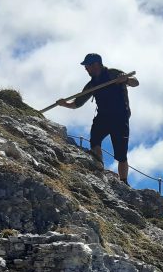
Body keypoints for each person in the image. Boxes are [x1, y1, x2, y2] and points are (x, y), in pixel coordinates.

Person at [56, 53, 139, 184]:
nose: (86, 69)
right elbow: (77, 103)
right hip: (103, 117)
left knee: (121, 154)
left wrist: (126, 80)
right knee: (95, 140)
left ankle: (123, 182)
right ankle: (99, 169)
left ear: (95, 65)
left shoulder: (113, 74)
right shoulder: (91, 84)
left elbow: (135, 82)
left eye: (87, 66)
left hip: (120, 117)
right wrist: (64, 104)